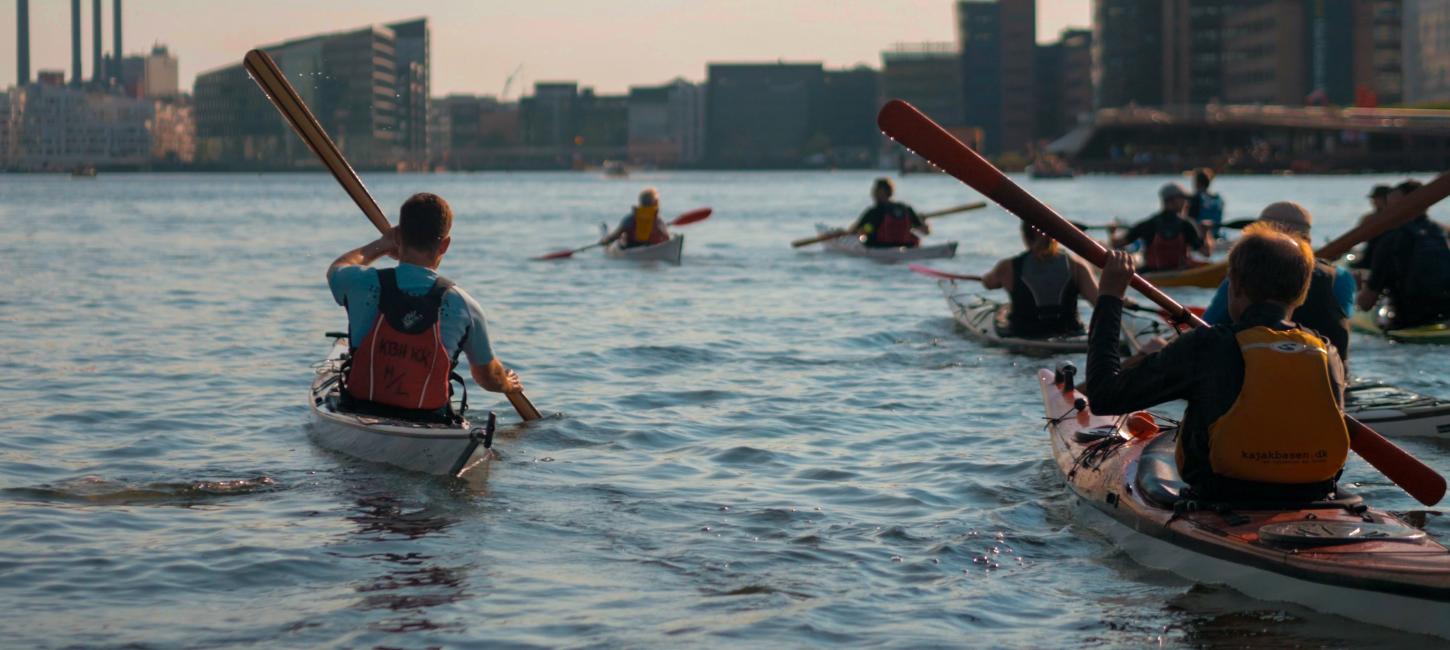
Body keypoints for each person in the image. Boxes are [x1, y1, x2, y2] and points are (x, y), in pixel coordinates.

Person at [1086, 226, 1349, 502]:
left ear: (1234, 284)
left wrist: (1110, 297)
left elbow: (1105, 396)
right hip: (1314, 495)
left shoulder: (1208, 345)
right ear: (1301, 293)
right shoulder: (1326, 352)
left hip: (1222, 497)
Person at [328, 193, 522, 421]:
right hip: (428, 420)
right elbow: (488, 378)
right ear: (445, 245)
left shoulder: (359, 282)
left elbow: (338, 267)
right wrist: (507, 384)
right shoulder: (465, 305)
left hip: (362, 410)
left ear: (399, 236)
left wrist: (382, 245)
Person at [1202, 202, 1355, 361]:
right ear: (1307, 239)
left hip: (1255, 373)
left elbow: (1209, 325)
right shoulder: (1342, 278)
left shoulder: (1241, 276)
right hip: (1328, 374)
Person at [980, 222, 1100, 338]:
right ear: (1056, 237)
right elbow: (1101, 304)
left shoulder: (1007, 267)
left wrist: (985, 278)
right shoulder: (1077, 266)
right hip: (1070, 334)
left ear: (1025, 237)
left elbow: (989, 283)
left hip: (1024, 337)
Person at [1357, 180, 1450, 329]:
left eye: (1391, 204)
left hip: (1410, 323)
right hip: (1445, 317)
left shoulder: (1391, 240)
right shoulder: (1441, 233)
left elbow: (1366, 303)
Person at [1109, 182, 1212, 271]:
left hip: (1152, 274)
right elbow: (1206, 253)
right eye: (1183, 198)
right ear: (1171, 200)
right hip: (1180, 272)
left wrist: (1112, 232)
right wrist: (1207, 232)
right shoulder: (1187, 224)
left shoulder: (1148, 224)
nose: (1186, 202)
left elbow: (1116, 244)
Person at [849, 177, 928, 248]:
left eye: (875, 190)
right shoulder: (906, 209)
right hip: (907, 247)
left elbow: (854, 231)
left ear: (881, 191)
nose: (872, 193)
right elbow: (925, 231)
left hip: (879, 248)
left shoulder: (874, 211)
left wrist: (846, 232)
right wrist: (923, 221)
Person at [601, 188, 670, 249]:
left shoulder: (630, 218)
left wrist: (606, 241)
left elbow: (616, 235)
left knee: (621, 239)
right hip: (651, 246)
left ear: (640, 202)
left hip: (631, 247)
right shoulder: (658, 220)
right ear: (656, 203)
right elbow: (666, 238)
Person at [1350, 185, 1394, 271]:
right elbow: (1355, 237)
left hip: (1385, 256)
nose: (1373, 202)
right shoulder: (1369, 218)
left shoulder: (1397, 216)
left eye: (1376, 199)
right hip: (1372, 255)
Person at [1187, 168, 1225, 239]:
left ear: (1197, 183)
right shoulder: (1218, 199)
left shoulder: (1195, 198)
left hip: (1200, 237)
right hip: (1217, 236)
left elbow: (1188, 221)